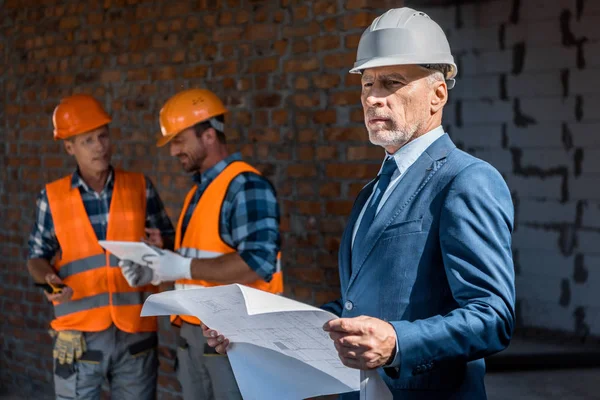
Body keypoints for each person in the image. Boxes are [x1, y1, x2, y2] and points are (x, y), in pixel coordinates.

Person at [203, 8, 516, 400]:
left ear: (438, 94)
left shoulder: (466, 180)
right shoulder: (370, 193)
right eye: (367, 83)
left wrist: (397, 342)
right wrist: (256, 332)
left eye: (391, 82)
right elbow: (354, 307)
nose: (372, 97)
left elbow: (492, 317)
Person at [120, 88, 283, 400]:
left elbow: (257, 264)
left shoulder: (245, 186)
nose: (172, 151)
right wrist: (160, 261)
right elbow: (203, 254)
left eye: (179, 140)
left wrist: (179, 265)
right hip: (197, 335)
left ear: (209, 136)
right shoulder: (200, 191)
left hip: (233, 339)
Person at [26, 94, 175, 400]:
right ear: (69, 146)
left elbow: (171, 244)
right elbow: (36, 256)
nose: (100, 146)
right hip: (79, 336)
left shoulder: (140, 187)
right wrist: (50, 281)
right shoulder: (51, 198)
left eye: (103, 136)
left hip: (136, 333)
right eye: (88, 140)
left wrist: (161, 251)